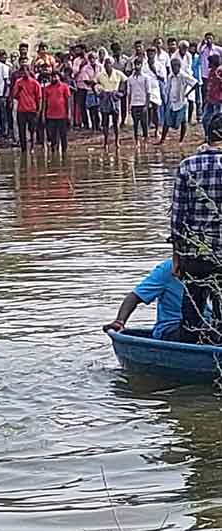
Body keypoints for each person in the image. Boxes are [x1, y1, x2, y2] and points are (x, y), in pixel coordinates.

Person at [171, 113, 222, 344]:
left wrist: (177, 260)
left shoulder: (187, 167)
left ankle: (187, 358)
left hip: (196, 256)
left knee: (191, 315)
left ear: (208, 135)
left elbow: (178, 222)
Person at [102, 259, 188, 341]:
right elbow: (135, 296)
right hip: (169, 329)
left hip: (198, 327)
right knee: (191, 333)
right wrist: (120, 321)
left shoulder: (201, 271)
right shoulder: (168, 269)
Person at [158, 57, 197, 145]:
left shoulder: (183, 75)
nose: (174, 68)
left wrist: (187, 93)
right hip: (171, 101)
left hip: (181, 101)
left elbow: (195, 83)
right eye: (172, 66)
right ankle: (162, 140)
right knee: (166, 121)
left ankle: (181, 140)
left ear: (179, 66)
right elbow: (168, 88)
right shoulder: (170, 76)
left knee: (183, 121)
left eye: (176, 66)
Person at [94, 57, 127, 151]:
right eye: (106, 63)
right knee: (105, 121)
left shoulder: (118, 73)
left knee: (116, 121)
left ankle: (117, 140)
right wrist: (98, 93)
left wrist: (121, 93)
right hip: (105, 97)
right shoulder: (100, 75)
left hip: (114, 96)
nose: (107, 65)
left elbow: (126, 81)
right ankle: (106, 141)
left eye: (109, 63)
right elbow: (94, 83)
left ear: (112, 64)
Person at [12, 63, 42, 153]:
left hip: (32, 109)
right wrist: (19, 90)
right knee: (22, 130)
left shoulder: (35, 83)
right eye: (23, 71)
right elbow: (15, 96)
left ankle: (32, 147)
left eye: (26, 70)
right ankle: (23, 149)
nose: (24, 73)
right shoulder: (18, 82)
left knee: (32, 130)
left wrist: (39, 110)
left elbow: (39, 98)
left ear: (29, 71)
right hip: (21, 110)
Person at [43, 70, 71, 156]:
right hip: (50, 115)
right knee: (52, 136)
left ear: (59, 77)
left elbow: (68, 101)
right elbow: (44, 102)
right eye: (52, 76)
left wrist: (69, 114)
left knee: (63, 135)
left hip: (62, 115)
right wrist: (43, 115)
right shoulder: (47, 88)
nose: (54, 78)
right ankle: (53, 152)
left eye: (55, 76)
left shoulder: (64, 86)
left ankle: (64, 153)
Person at [127, 58, 152, 146]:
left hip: (143, 103)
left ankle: (145, 139)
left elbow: (148, 92)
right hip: (134, 103)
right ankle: (136, 140)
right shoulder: (130, 79)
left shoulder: (146, 78)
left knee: (144, 123)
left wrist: (147, 105)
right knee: (135, 123)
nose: (138, 66)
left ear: (141, 65)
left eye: (139, 64)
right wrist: (128, 106)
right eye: (136, 64)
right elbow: (129, 94)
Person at [203, 55, 222, 140]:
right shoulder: (211, 71)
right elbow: (209, 85)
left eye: (210, 62)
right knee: (205, 119)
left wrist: (219, 79)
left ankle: (215, 137)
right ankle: (207, 136)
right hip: (210, 99)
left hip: (218, 100)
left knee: (215, 121)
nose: (208, 64)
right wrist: (206, 96)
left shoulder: (220, 71)